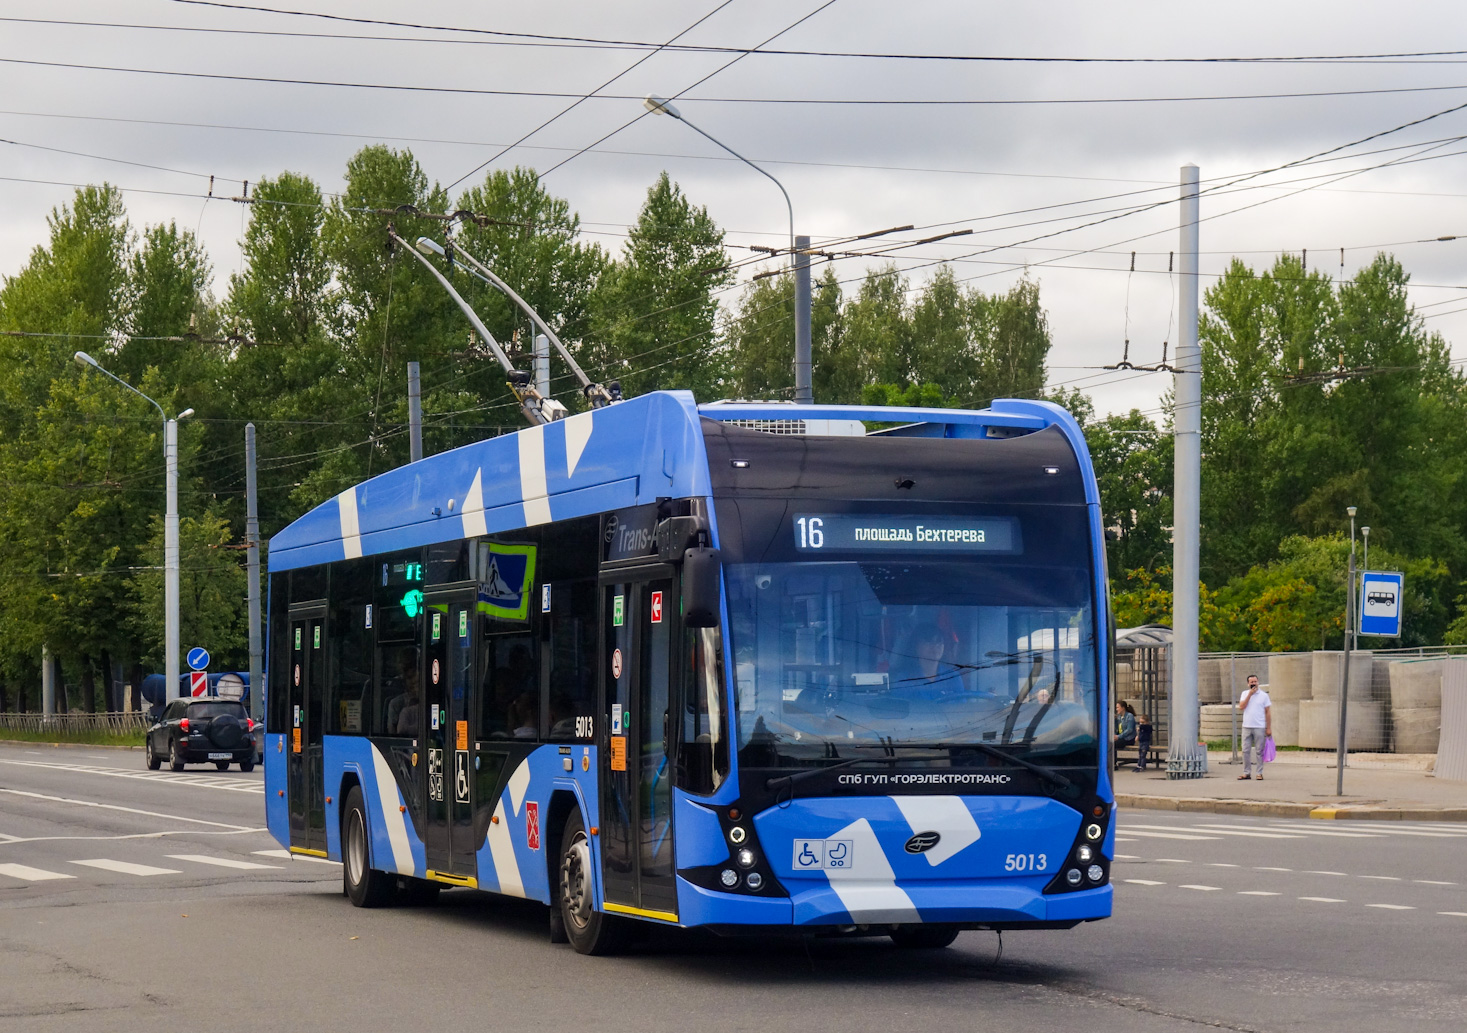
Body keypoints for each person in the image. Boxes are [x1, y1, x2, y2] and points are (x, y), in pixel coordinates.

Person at [1236, 673, 1272, 780]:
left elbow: (1267, 712)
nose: (1254, 683)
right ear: (1248, 684)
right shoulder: (1244, 694)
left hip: (1259, 726)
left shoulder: (1264, 696)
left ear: (1258, 682)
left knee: (1259, 751)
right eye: (1251, 682)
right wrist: (1250, 695)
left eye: (1255, 681)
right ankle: (1246, 772)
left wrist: (1268, 727)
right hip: (1246, 726)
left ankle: (1259, 772)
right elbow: (1241, 707)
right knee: (1245, 750)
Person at [1132, 704, 1153, 771]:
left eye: (1143, 722)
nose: (1141, 724)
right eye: (1140, 722)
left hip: (1145, 742)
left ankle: (1142, 766)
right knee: (1140, 754)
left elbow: (1146, 728)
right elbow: (1140, 733)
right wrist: (1137, 736)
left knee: (1143, 755)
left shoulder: (1147, 727)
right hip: (1141, 742)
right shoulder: (1142, 728)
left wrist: (1140, 727)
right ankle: (1139, 765)